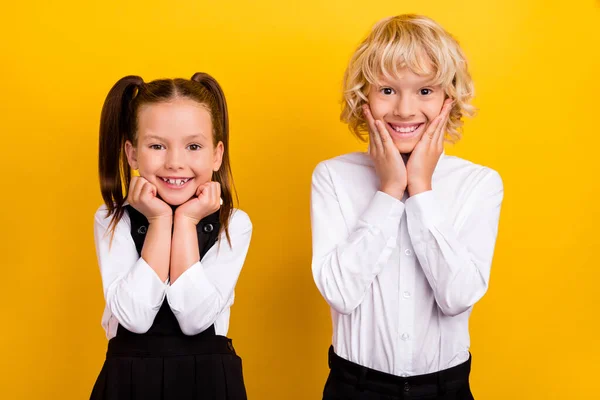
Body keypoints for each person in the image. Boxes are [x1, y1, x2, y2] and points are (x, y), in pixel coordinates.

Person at [311, 14, 503, 399]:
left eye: (425, 91)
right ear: (364, 95)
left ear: (450, 99)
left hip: (444, 387)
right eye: (387, 90)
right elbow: (340, 293)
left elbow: (457, 298)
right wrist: (389, 190)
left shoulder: (479, 184)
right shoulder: (332, 176)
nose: (404, 109)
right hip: (355, 386)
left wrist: (421, 190)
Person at [90, 73, 251, 399]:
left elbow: (194, 319)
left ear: (216, 155)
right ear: (132, 154)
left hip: (209, 383)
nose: (175, 162)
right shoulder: (112, 219)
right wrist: (161, 219)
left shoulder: (233, 224)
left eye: (193, 146)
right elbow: (134, 318)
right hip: (129, 382)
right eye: (157, 146)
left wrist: (188, 220)